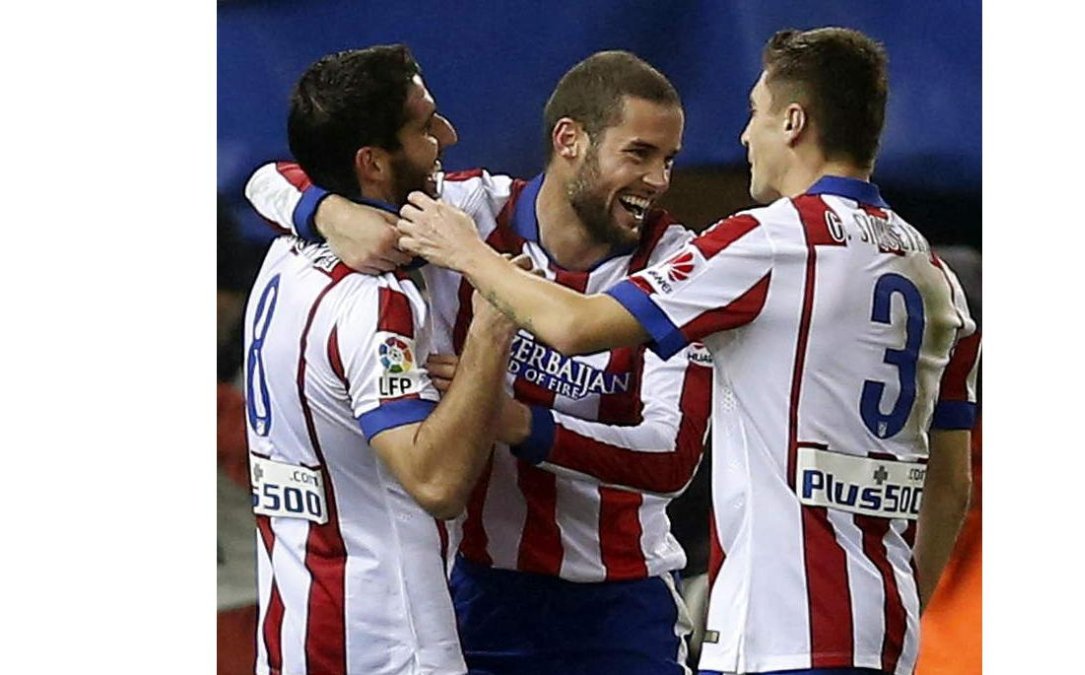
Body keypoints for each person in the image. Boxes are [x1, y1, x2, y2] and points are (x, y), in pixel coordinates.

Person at [391, 27, 980, 675]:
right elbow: (950, 486)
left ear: (793, 121)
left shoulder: (767, 243)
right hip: (882, 629)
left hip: (777, 631)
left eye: (754, 113)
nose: (743, 137)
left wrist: (468, 256)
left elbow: (577, 327)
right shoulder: (936, 277)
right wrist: (901, 613)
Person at [244, 51, 712, 674]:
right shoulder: (463, 213)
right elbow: (270, 178)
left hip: (618, 606)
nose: (657, 181)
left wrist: (518, 424)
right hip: (476, 593)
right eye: (639, 154)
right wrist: (332, 213)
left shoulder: (683, 266)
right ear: (569, 141)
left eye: (669, 160)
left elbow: (670, 457)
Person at [243, 44, 516, 675]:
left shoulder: (282, 254)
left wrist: (321, 208)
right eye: (424, 127)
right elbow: (436, 482)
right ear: (372, 163)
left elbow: (269, 180)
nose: (446, 135)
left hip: (292, 633)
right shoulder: (376, 301)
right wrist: (490, 333)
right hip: (388, 643)